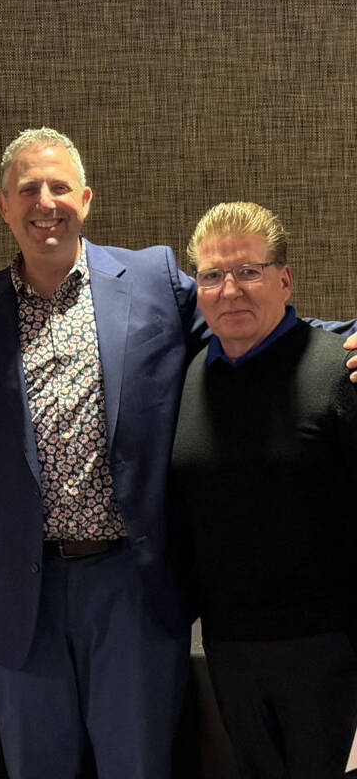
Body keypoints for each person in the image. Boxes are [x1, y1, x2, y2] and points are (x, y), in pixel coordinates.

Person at [0, 127, 357, 779]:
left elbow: (245, 313)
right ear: (3, 206)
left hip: (130, 581)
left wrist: (347, 336)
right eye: (28, 188)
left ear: (85, 197)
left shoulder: (154, 278)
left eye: (58, 186)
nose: (44, 201)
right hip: (18, 592)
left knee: (136, 765)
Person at [171, 201, 357, 779]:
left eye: (249, 271)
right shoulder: (189, 378)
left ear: (285, 278)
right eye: (213, 275)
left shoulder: (339, 372)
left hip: (329, 647)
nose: (231, 290)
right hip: (228, 647)